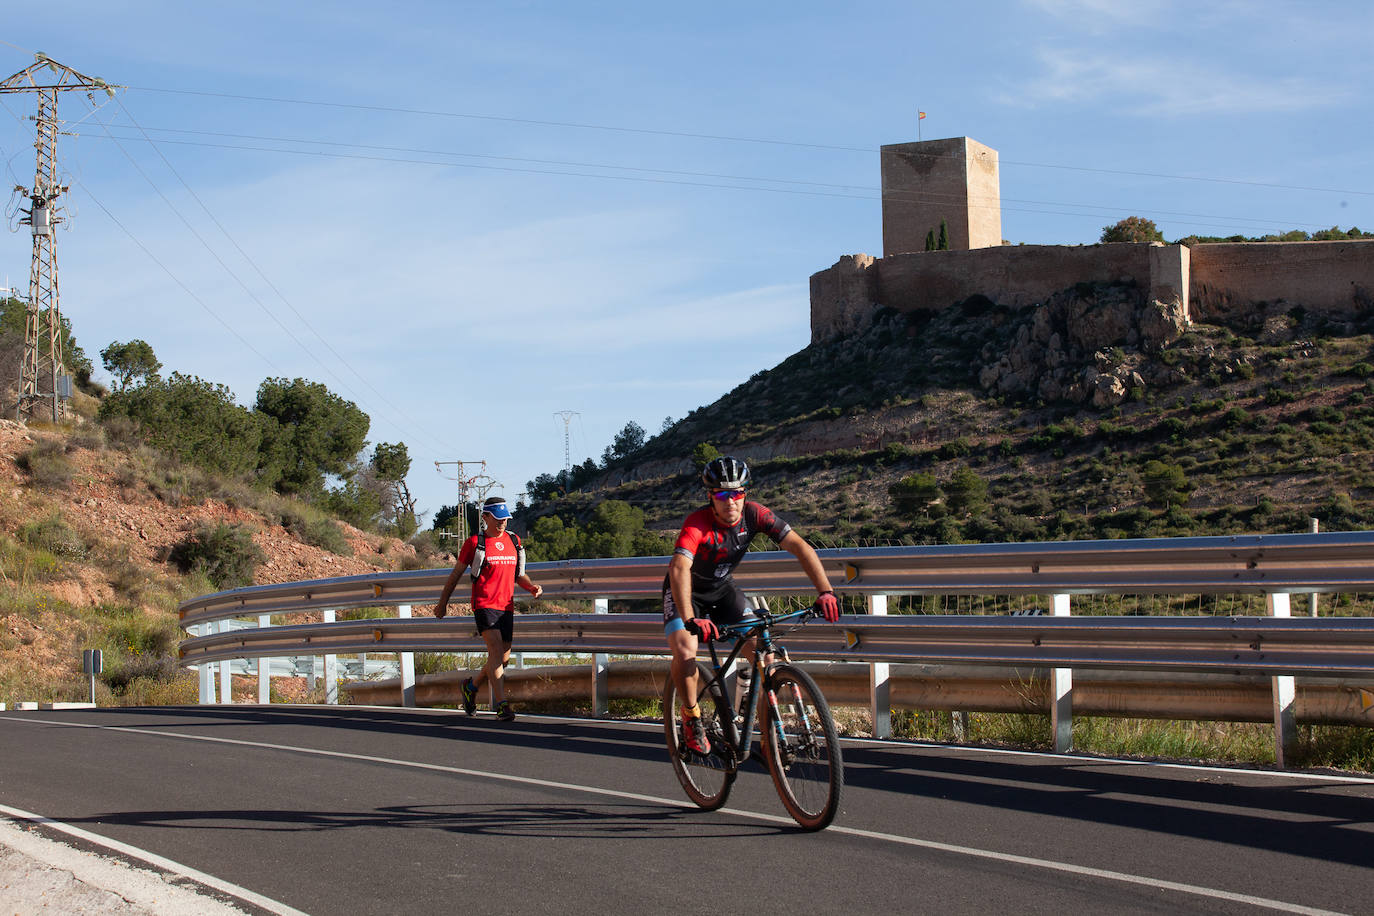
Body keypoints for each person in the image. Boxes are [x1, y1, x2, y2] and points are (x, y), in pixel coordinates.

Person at [663, 455, 840, 754]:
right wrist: (691, 619)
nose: (730, 501)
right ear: (711, 497)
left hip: (722, 590)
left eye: (737, 493)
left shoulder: (756, 516)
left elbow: (800, 547)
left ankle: (767, 740)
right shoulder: (697, 524)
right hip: (686, 592)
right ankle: (691, 717)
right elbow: (679, 569)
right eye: (721, 494)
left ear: (745, 494)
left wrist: (825, 591)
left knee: (766, 658)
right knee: (684, 649)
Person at [435, 496, 543, 722]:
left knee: (502, 660)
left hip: (507, 607)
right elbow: (455, 574)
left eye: (505, 519)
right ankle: (502, 705)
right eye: (497, 518)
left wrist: (531, 586)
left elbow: (519, 575)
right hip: (484, 604)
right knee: (495, 653)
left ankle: (471, 687)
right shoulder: (475, 543)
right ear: (485, 517)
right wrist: (443, 603)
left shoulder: (514, 541)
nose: (502, 523)